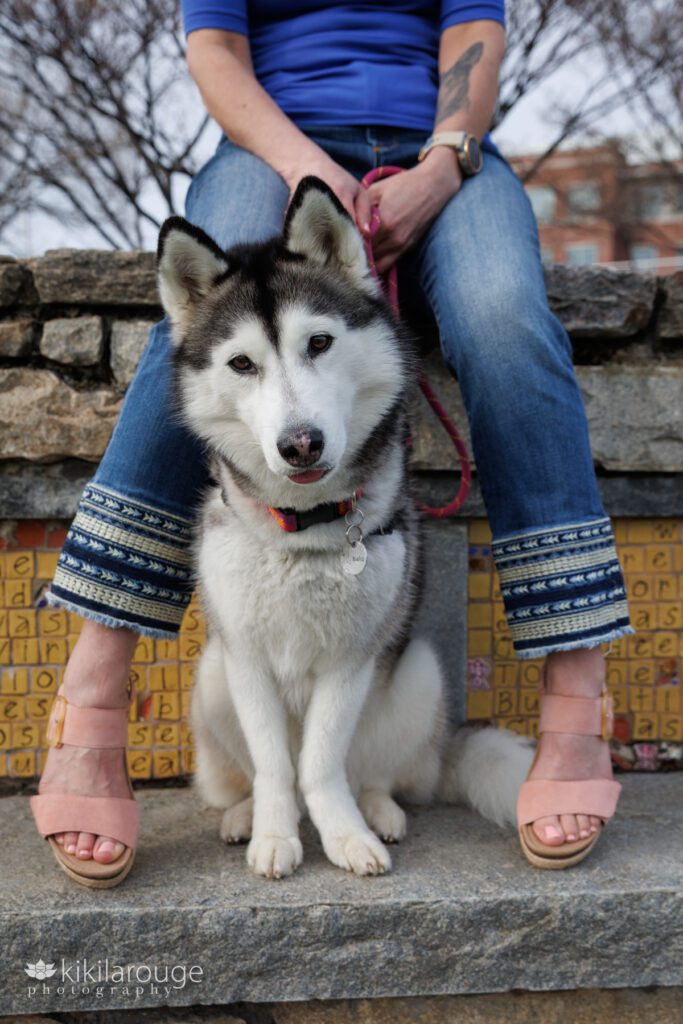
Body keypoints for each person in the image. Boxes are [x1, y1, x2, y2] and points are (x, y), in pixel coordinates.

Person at [31, 0, 633, 885]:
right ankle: (91, 698)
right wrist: (305, 166)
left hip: (441, 152)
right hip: (272, 143)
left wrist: (440, 166)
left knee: (506, 321)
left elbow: (475, 30)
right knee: (191, 338)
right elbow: (214, 49)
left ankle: (578, 702)